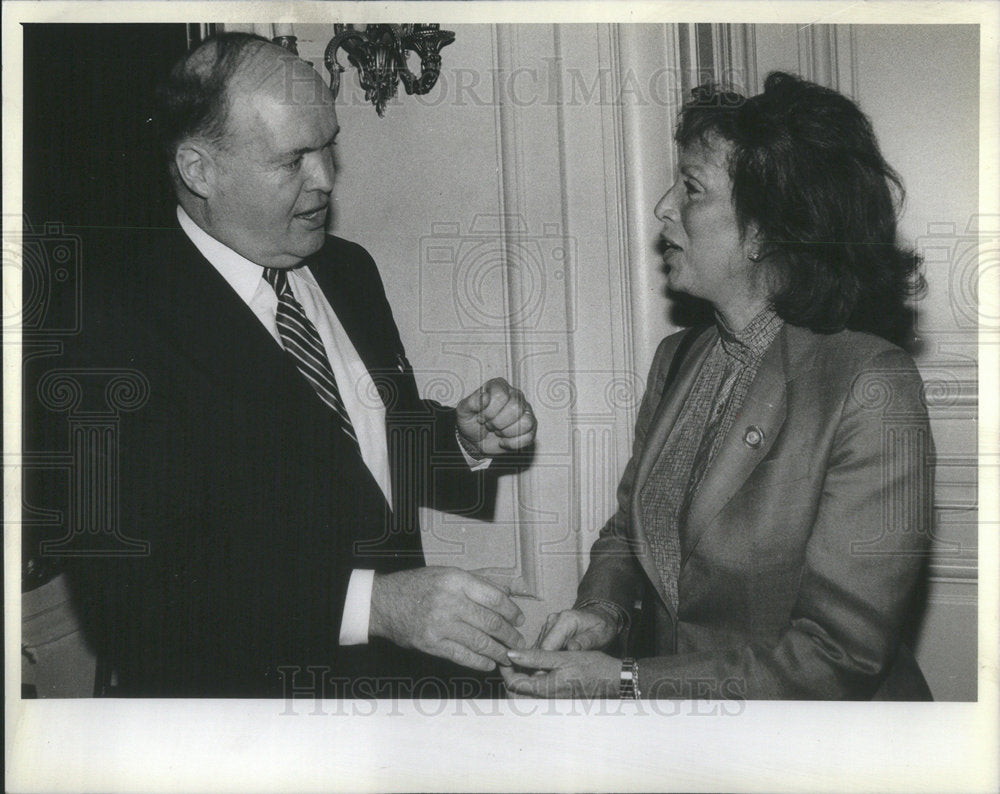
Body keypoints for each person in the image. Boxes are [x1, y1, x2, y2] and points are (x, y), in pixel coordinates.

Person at [61, 32, 536, 698]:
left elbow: (354, 449)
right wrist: (374, 606)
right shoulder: (108, 324)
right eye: (293, 160)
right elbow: (132, 597)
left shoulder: (347, 271)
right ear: (200, 170)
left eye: (327, 146)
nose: (325, 179)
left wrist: (456, 439)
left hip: (388, 701)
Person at [502, 72, 933, 700]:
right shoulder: (677, 358)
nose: (663, 208)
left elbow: (837, 656)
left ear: (763, 232)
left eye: (693, 189)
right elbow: (629, 531)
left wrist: (626, 680)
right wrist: (603, 613)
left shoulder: (871, 387)